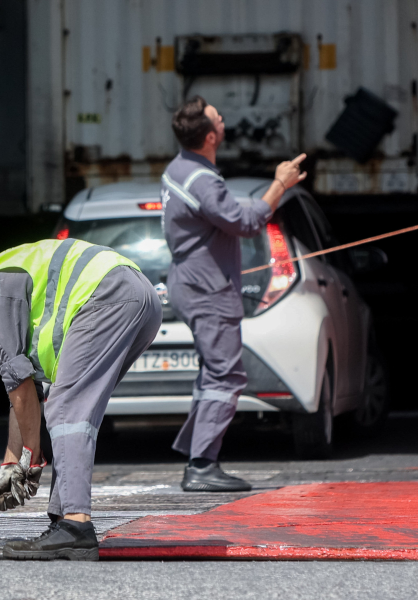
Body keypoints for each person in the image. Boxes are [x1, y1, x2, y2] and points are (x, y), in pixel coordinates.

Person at [0, 241, 162, 561]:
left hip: (106, 294)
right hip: (138, 295)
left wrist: (32, 456)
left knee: (67, 409)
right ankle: (64, 520)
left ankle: (76, 528)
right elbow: (29, 390)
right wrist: (13, 462)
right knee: (70, 405)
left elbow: (20, 386)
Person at [161, 96, 306, 492]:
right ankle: (202, 464)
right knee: (226, 375)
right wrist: (280, 183)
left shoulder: (180, 168)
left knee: (214, 373)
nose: (224, 120)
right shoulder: (202, 180)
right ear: (210, 136)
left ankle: (199, 457)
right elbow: (245, 222)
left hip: (190, 282)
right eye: (218, 118)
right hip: (208, 288)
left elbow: (221, 212)